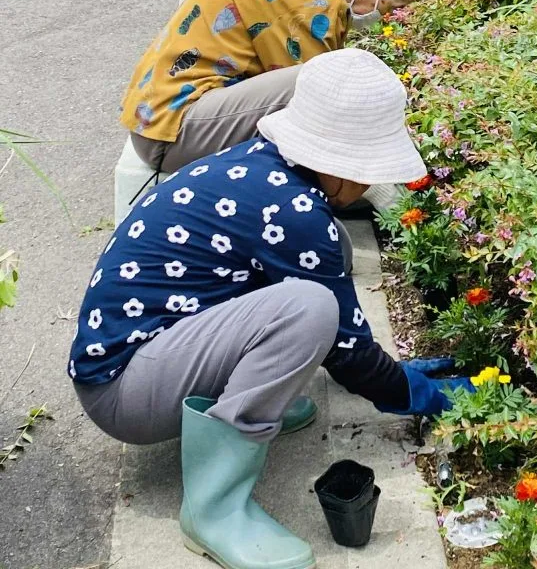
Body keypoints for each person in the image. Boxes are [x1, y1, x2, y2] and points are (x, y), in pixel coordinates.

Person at [70, 48, 473, 569]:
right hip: (125, 392)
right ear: (344, 164)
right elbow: (347, 352)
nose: (369, 184)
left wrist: (393, 370)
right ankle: (214, 509)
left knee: (326, 269)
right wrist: (418, 394)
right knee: (308, 307)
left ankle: (247, 400)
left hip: (145, 354)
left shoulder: (259, 167)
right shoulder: (296, 211)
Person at [120, 0, 437, 174]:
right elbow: (321, 109)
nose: (388, 16)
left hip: (162, 116)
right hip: (172, 135)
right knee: (324, 82)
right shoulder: (313, 3)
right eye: (390, 5)